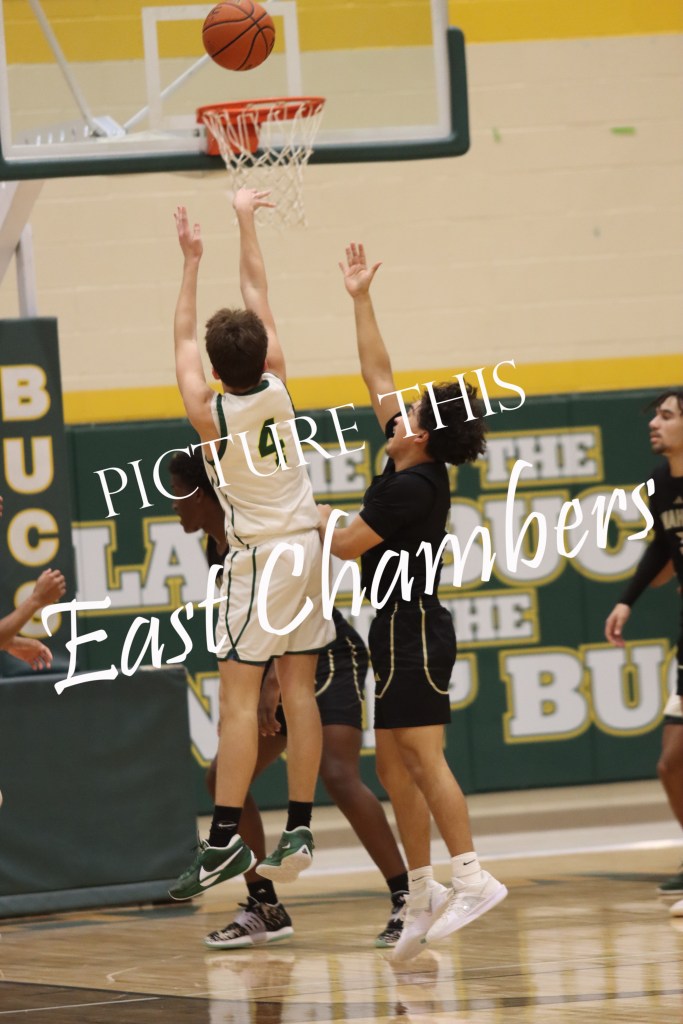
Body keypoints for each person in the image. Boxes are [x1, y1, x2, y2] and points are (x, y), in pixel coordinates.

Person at [318, 243, 507, 961]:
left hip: (415, 629)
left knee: (424, 760)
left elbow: (344, 546)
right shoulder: (406, 458)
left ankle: (472, 877)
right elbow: (377, 373)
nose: (396, 410)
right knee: (393, 769)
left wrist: (306, 513)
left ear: (419, 433)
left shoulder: (411, 486)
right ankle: (421, 891)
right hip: (392, 628)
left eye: (409, 411)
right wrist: (360, 297)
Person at [169, 449, 410, 948]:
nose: (174, 504)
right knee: (222, 779)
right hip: (270, 667)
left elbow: (308, 591)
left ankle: (405, 897)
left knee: (339, 774)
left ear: (205, 493)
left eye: (180, 493)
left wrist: (275, 683)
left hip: (322, 652)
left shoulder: (261, 526)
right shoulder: (219, 546)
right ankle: (265, 906)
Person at [168, 189, 335, 902]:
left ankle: (221, 842)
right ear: (264, 352)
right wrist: (244, 218)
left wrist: (189, 262)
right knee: (299, 690)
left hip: (260, 558)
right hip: (307, 549)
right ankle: (299, 826)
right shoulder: (281, 387)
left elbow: (183, 338)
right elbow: (258, 290)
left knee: (238, 702)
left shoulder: (209, 412)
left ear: (215, 367)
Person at [604, 389, 683, 911]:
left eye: (667, 415)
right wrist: (626, 600)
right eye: (655, 415)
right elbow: (661, 546)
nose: (655, 422)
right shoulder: (659, 485)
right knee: (671, 765)